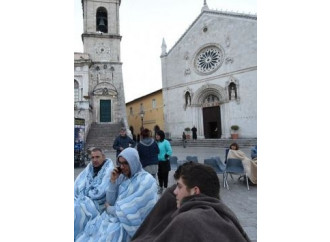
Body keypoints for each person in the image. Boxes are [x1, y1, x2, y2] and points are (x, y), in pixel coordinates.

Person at [131, 162, 251, 242]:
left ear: (195, 191)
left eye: (179, 186)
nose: (175, 192)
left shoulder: (187, 220)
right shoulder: (224, 213)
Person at [75, 148, 158, 242]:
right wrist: (113, 182)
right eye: (120, 163)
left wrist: (110, 209)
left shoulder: (146, 181)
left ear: (134, 162)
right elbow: (110, 201)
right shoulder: (122, 177)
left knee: (109, 235)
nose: (122, 167)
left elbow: (131, 211)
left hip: (129, 224)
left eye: (126, 163)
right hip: (115, 217)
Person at [74, 148, 114, 240]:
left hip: (99, 204)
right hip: (85, 199)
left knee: (77, 212)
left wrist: (86, 197)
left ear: (103, 157)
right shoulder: (89, 169)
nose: (94, 160)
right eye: (92, 157)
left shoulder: (109, 171)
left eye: (97, 157)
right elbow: (78, 184)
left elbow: (101, 192)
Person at [155, 130, 172, 194]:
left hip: (164, 162)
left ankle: (165, 187)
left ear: (161, 136)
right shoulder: (156, 143)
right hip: (158, 162)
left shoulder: (166, 142)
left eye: (157, 135)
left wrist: (165, 156)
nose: (156, 136)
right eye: (156, 135)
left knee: (165, 176)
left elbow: (170, 151)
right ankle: (160, 187)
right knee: (159, 175)